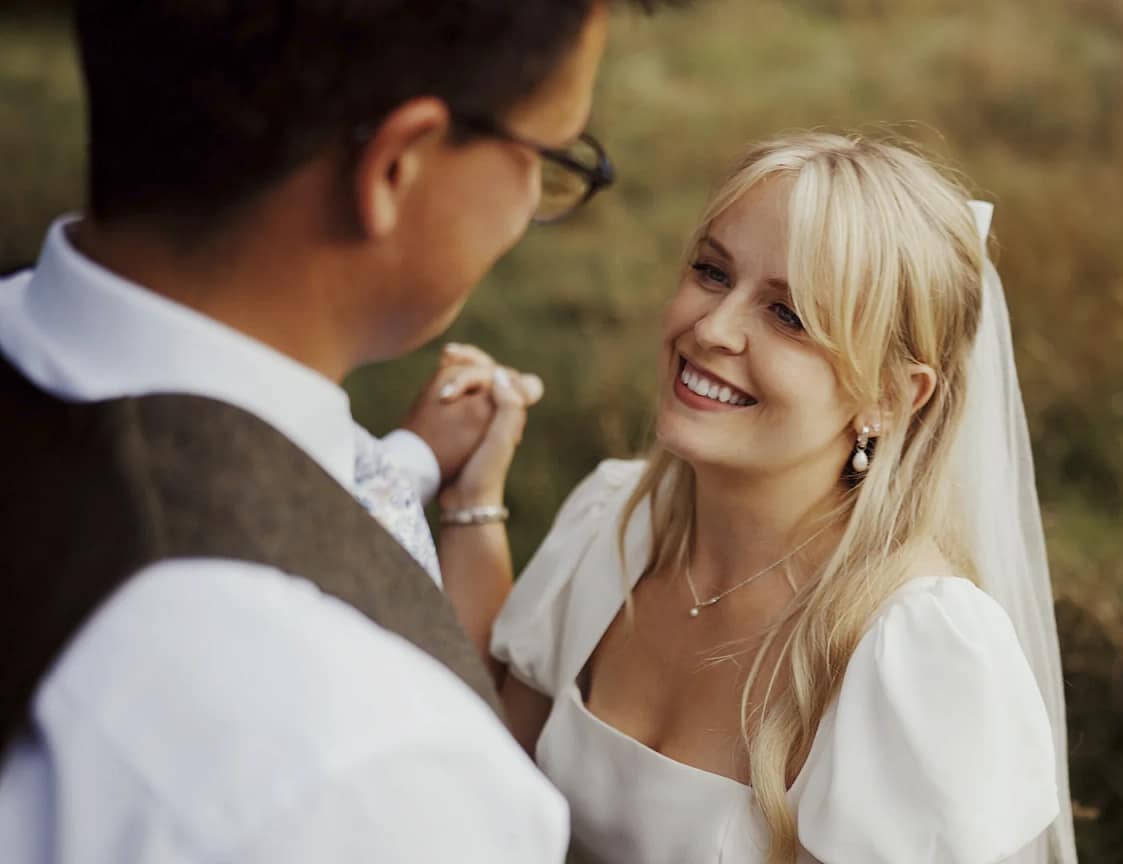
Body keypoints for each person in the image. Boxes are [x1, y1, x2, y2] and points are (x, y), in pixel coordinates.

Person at [0, 1, 674, 861]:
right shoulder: (364, 768)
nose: (536, 204)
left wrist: (414, 464)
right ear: (398, 166)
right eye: (549, 157)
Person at [437, 132, 1079, 863]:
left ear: (892, 397)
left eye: (789, 316)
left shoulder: (915, 657)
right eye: (712, 272)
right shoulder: (614, 521)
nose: (711, 329)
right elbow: (483, 769)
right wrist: (471, 496)